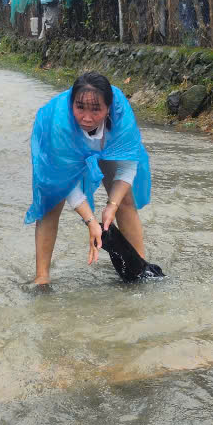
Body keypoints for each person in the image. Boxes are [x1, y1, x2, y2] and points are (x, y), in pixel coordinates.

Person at [25, 72, 151, 286]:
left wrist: (111, 206)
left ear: (109, 108)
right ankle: (42, 277)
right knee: (51, 202)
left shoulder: (121, 116)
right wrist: (91, 221)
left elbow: (128, 165)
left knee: (124, 199)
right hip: (60, 146)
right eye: (80, 107)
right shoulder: (59, 123)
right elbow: (64, 183)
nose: (87, 117)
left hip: (107, 145)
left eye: (96, 109)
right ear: (71, 104)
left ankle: (139, 267)